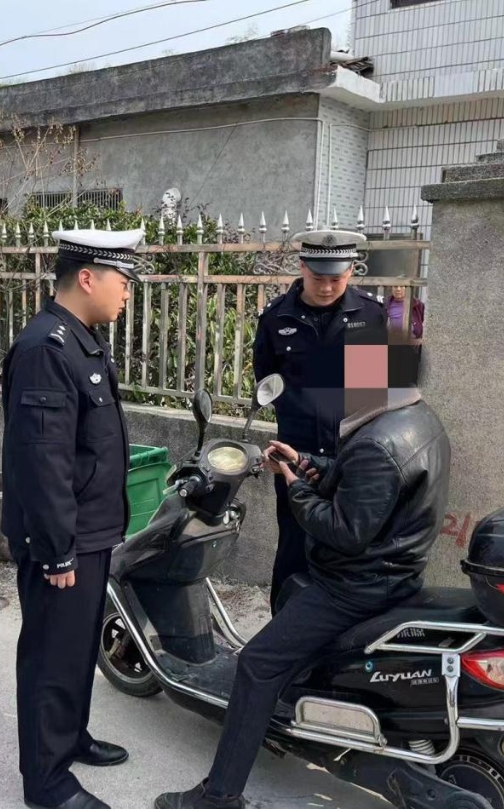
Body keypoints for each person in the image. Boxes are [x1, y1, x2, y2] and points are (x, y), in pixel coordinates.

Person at [155, 337, 450, 809]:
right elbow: (363, 486)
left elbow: (344, 530)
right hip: (392, 574)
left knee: (256, 664)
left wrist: (293, 486)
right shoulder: (417, 421)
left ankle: (218, 798)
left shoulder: (377, 442)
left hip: (354, 585)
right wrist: (306, 463)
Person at [1, 228, 146, 809]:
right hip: (63, 537)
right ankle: (47, 782)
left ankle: (70, 736)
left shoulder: (80, 339)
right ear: (87, 278)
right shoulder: (46, 348)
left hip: (89, 529)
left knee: (78, 646)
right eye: (122, 280)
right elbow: (42, 461)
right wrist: (56, 548)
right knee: (50, 656)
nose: (127, 292)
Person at [252, 229, 388, 612]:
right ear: (302, 267)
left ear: (351, 271)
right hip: (297, 459)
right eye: (318, 278)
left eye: (336, 279)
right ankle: (283, 630)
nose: (327, 288)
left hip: (352, 459)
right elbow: (267, 382)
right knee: (293, 550)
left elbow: (378, 393)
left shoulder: (371, 315)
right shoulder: (275, 319)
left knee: (351, 556)